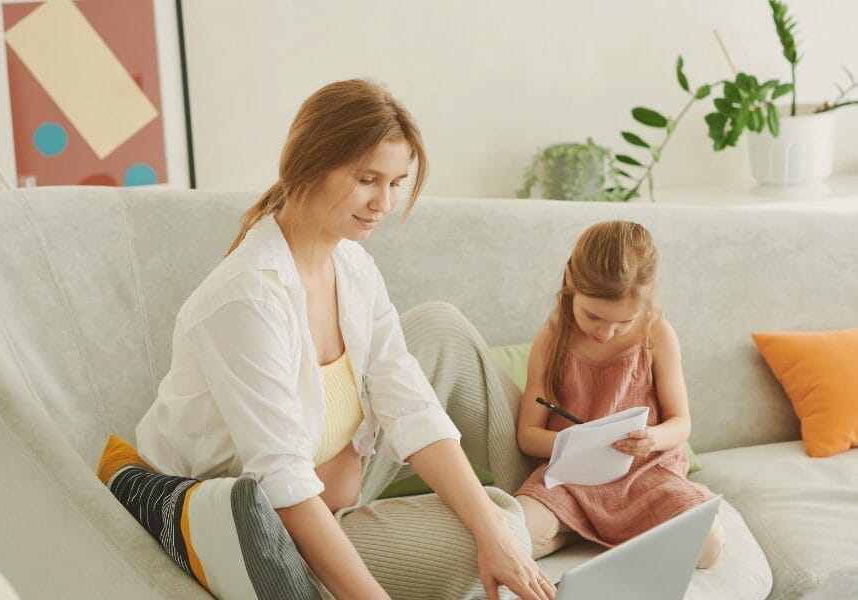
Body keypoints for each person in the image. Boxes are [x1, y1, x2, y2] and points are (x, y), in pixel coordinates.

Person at [134, 79, 554, 600]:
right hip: (285, 532)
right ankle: (544, 521)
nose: (384, 202)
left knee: (496, 522)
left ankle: (560, 501)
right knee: (505, 527)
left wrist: (491, 533)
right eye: (367, 179)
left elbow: (411, 407)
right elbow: (283, 488)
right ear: (308, 164)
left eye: (396, 182)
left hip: (338, 484)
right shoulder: (247, 300)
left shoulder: (350, 264)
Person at [514, 220, 726, 568]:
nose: (606, 332)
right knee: (511, 535)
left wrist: (652, 438)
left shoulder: (658, 334)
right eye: (593, 316)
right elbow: (527, 436)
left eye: (623, 322)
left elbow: (681, 423)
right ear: (570, 281)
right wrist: (583, 442)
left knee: (709, 545)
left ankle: (597, 530)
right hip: (574, 477)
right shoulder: (552, 337)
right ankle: (587, 526)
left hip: (646, 473)